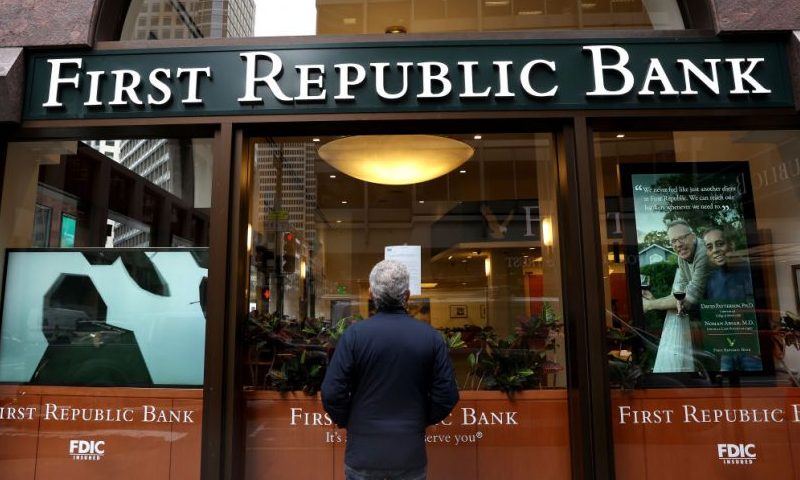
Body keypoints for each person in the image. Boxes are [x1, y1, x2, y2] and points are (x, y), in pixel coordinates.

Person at [321, 260, 459, 480]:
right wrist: (421, 420)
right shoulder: (430, 337)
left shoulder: (354, 336)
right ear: (407, 296)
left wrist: (349, 421)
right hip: (409, 453)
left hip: (363, 452)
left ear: (371, 293)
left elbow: (331, 392)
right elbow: (447, 395)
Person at [642, 220, 711, 373]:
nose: (678, 244)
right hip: (706, 313)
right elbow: (678, 295)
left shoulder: (703, 254)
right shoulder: (682, 257)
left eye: (682, 238)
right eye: (673, 241)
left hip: (722, 313)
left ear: (693, 237)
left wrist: (648, 305)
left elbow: (686, 300)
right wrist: (654, 300)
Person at [702, 227, 762, 372]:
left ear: (732, 245)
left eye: (720, 244)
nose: (715, 250)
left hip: (753, 352)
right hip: (726, 352)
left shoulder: (751, 272)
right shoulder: (711, 280)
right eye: (710, 247)